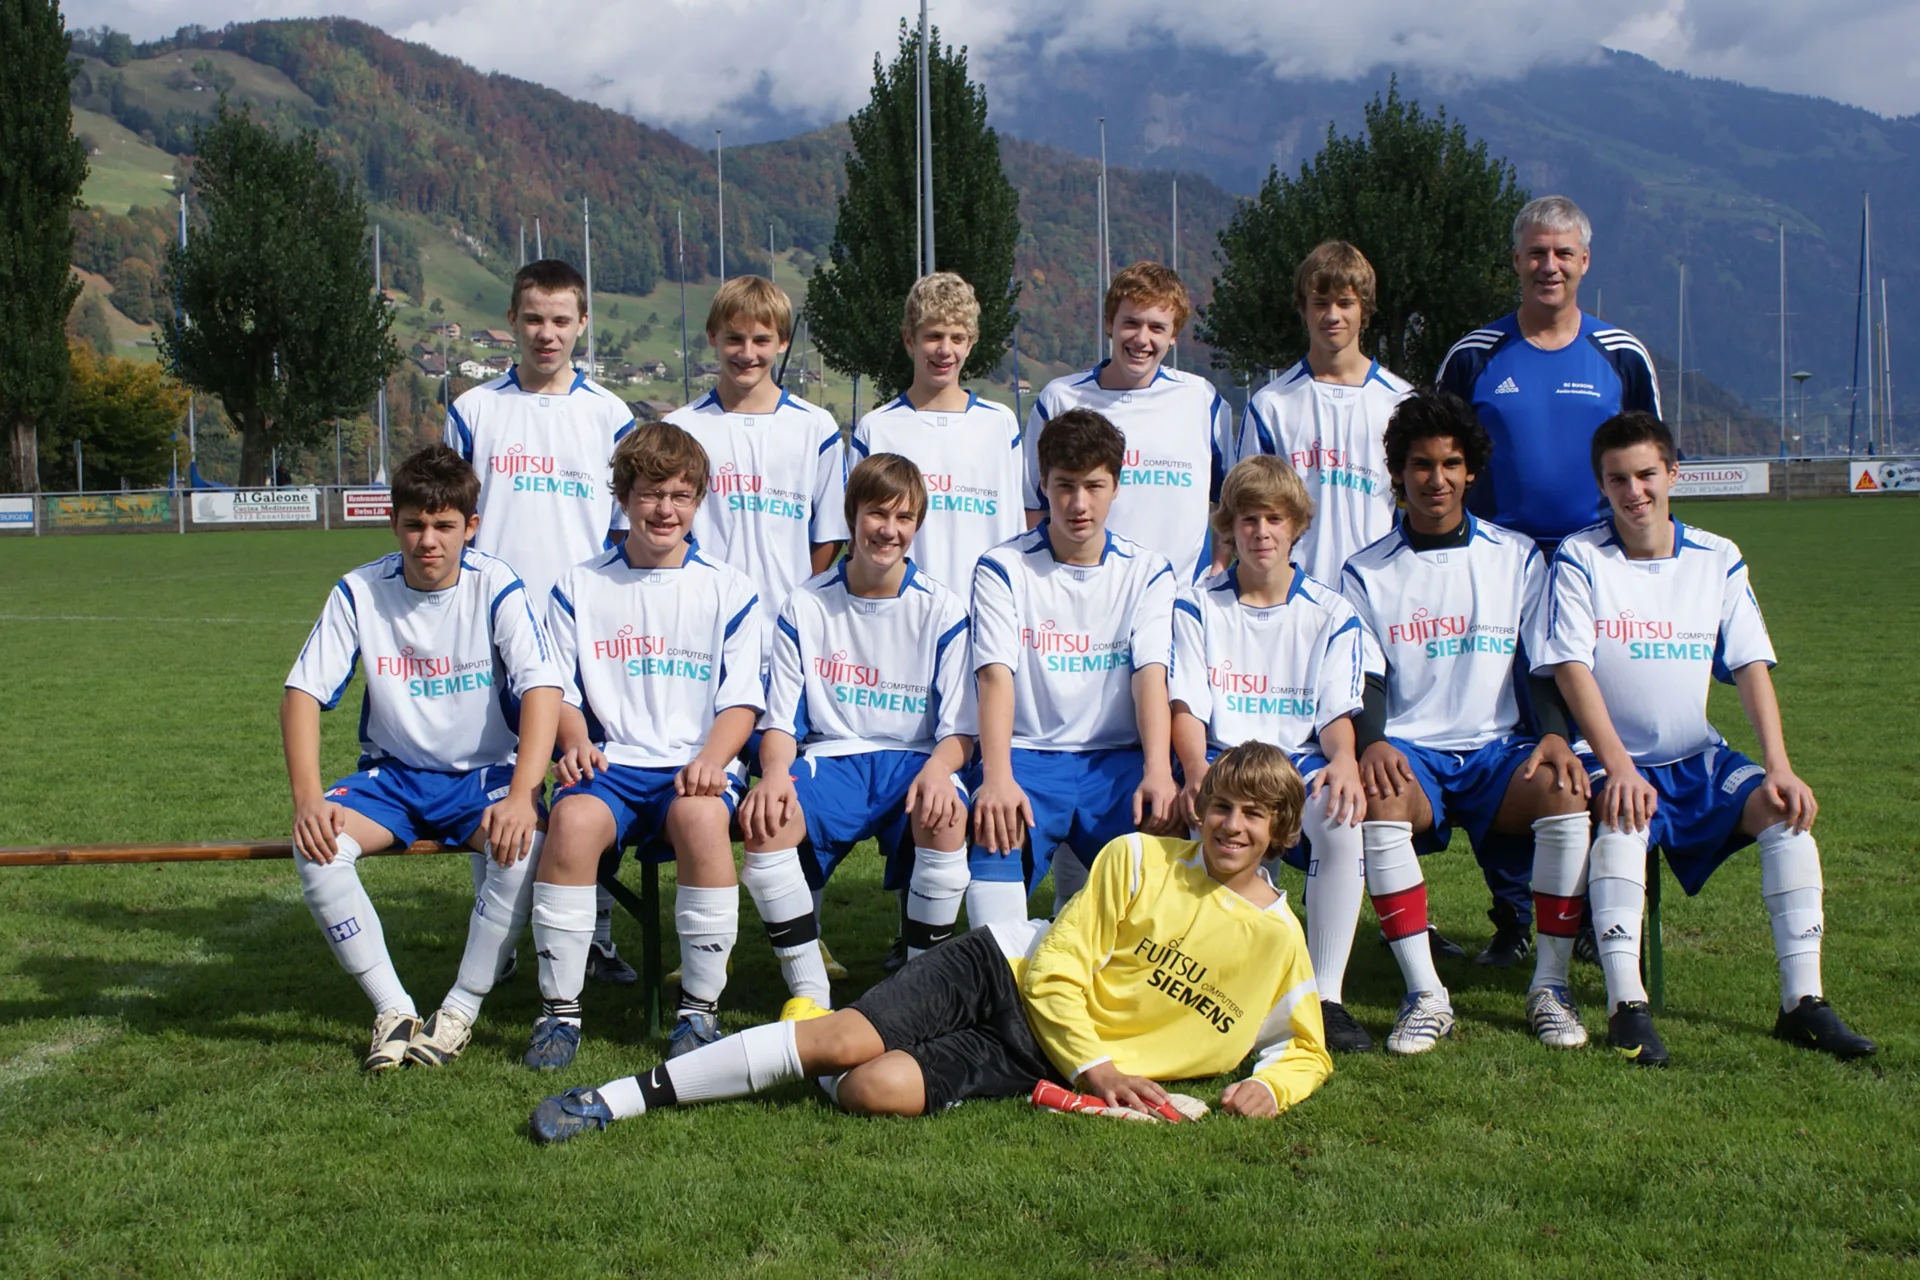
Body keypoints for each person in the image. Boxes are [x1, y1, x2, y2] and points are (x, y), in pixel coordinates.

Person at [526, 741, 1332, 1141]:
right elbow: (1054, 972)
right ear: (1202, 808)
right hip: (1003, 973)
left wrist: (1273, 1088)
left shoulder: (1279, 941)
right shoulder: (1138, 858)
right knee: (840, 1040)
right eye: (1221, 807)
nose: (1232, 826)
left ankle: (834, 1039)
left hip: (1040, 1059)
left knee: (871, 1089)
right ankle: (617, 1098)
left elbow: (1305, 1047)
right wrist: (1101, 1070)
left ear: (1283, 832)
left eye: (1254, 816)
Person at [1531, 411, 1875, 1065]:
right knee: (1624, 817)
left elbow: (1749, 664)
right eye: (1617, 479)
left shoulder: (1717, 556)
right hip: (1610, 756)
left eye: (1646, 475)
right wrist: (1618, 766)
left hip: (1696, 753)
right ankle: (1626, 1007)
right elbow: (1571, 669)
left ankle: (1803, 1003)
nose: (1634, 492)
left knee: (1785, 811)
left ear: (1673, 474)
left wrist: (1779, 764)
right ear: (1601, 485)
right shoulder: (1581, 556)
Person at [281, 444, 563, 1071]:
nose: (428, 541)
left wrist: (523, 795)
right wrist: (307, 800)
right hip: (392, 779)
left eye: (443, 525)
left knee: (522, 846)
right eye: (414, 524)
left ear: (471, 526)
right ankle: (393, 1010)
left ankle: (459, 1010)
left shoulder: (496, 584)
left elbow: (542, 689)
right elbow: (301, 694)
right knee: (317, 848)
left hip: (484, 776)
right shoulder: (359, 589)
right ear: (394, 523)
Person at [1435, 195, 1661, 966]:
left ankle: (1608, 912)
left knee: (1609, 738)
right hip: (1497, 575)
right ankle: (1513, 915)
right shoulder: (1475, 356)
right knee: (1503, 741)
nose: (1549, 266)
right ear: (1516, 260)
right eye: (1536, 252)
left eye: (1563, 253)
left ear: (1585, 261)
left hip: (1598, 570)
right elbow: (1439, 458)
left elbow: (1650, 460)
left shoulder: (1620, 354)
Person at [1339, 391, 1592, 1051]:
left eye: (1451, 463)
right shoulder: (1366, 570)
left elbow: (1543, 663)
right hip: (1413, 752)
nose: (1437, 479)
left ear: (1471, 470)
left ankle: (1551, 987)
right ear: (1399, 472)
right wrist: (1373, 742)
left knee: (1565, 790)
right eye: (1421, 464)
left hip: (1496, 753)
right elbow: (1365, 675)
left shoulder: (1516, 556)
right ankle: (1425, 995)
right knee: (1378, 799)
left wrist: (1556, 734)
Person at [524, 422, 765, 1071]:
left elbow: (741, 701)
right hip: (611, 764)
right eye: (651, 493)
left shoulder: (730, 588)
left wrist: (712, 759)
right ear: (624, 496)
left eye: (681, 495)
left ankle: (699, 1012)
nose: (665, 509)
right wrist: (575, 740)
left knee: (702, 821)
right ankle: (559, 1014)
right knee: (572, 823)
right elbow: (557, 689)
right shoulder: (578, 585)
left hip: (694, 764)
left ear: (699, 500)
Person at [445, 257, 641, 986]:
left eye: (561, 320)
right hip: (492, 630)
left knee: (591, 778)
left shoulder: (610, 415)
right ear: (511, 321)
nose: (546, 334)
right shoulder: (474, 409)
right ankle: (498, 939)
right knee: (499, 781)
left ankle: (594, 937)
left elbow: (624, 529)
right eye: (533, 319)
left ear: (583, 323)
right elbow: (452, 514)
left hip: (587, 632)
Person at [738, 452, 977, 1018]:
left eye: (903, 518)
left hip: (914, 760)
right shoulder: (806, 603)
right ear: (852, 516)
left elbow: (960, 732)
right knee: (767, 823)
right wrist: (774, 774)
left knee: (945, 814)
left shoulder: (942, 609)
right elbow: (780, 722)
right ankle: (809, 994)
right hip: (832, 759)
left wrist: (939, 772)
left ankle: (920, 991)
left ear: (917, 525)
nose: (889, 530)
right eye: (877, 514)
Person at [1171, 455, 1397, 1052]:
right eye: (1248, 519)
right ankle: (1223, 984)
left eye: (1274, 519)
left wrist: (1344, 761)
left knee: (1341, 817)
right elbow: (1187, 707)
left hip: (1296, 762)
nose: (1262, 532)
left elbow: (1335, 715)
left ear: (1296, 525)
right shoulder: (1196, 604)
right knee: (1212, 818)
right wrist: (1194, 772)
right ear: (1229, 527)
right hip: (1223, 760)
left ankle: (1325, 998)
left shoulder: (1332, 611)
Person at [967, 409, 1180, 929]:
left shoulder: (1149, 571)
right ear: (1042, 484)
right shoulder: (1002, 567)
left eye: (1093, 486)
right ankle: (1004, 974)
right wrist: (996, 776)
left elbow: (1151, 676)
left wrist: (1157, 769)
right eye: (1064, 485)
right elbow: (995, 677)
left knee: (1155, 894)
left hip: (1116, 760)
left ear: (1116, 486)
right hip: (1028, 755)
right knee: (995, 842)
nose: (1079, 504)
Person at [666, 276, 848, 649]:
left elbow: (829, 533)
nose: (747, 353)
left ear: (783, 341)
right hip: (701, 629)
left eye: (762, 340)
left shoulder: (816, 427)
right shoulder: (681, 428)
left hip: (788, 634)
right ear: (713, 336)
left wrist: (800, 600)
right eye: (734, 338)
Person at [1024, 262, 1235, 584]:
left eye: (1157, 328)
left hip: (1180, 597)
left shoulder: (1201, 400)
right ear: (1110, 323)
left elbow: (1230, 500)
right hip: (1083, 592)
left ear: (1173, 335)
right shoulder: (1060, 399)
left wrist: (1218, 569)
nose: (1142, 339)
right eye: (1131, 323)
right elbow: (1033, 506)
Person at [1237, 241, 1412, 587]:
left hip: (1381, 590)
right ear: (1302, 308)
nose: (1333, 316)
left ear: (1365, 308)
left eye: (1345, 303)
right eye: (1320, 303)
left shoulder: (1401, 402)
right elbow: (1247, 510)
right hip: (1293, 596)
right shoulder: (1271, 405)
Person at [851, 272, 1025, 594]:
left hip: (985, 610)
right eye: (933, 336)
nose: (945, 350)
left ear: (970, 343)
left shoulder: (1000, 425)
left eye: (957, 338)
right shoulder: (876, 429)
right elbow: (856, 538)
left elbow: (1016, 530)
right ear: (909, 340)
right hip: (902, 611)